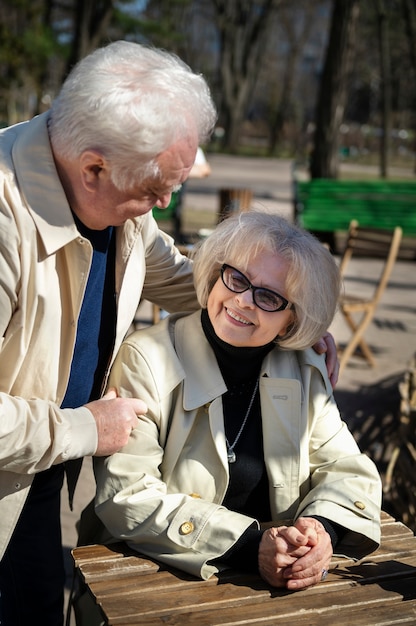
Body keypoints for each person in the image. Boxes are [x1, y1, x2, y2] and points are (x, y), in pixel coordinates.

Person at [0, 40, 217, 626]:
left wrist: (289, 315)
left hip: (43, 464)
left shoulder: (112, 189)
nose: (165, 203)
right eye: (153, 190)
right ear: (92, 166)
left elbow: (184, 282)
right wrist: (85, 427)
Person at [92, 211, 382, 592]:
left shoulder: (303, 366)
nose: (243, 301)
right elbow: (126, 496)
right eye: (237, 278)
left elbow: (346, 467)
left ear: (292, 321)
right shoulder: (146, 358)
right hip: (159, 575)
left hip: (280, 581)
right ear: (215, 274)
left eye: (268, 297)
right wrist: (248, 546)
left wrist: (321, 529)